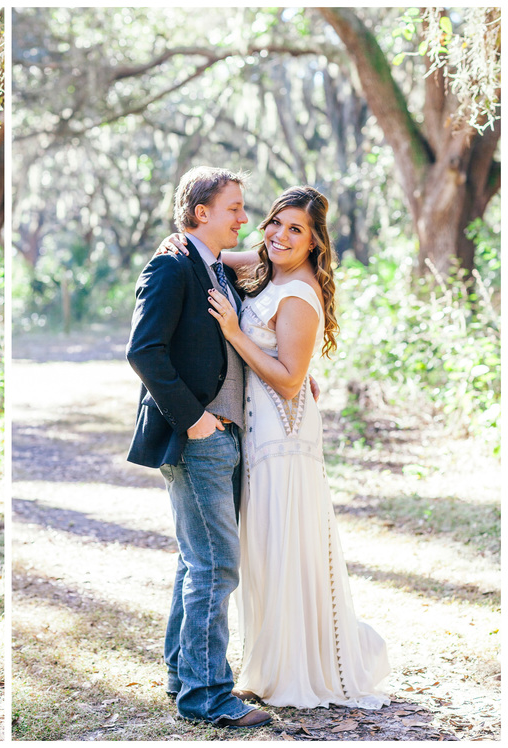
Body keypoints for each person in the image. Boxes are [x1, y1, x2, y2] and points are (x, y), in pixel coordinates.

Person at [160, 186, 390, 709]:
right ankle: (262, 660)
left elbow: (290, 381)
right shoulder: (267, 264)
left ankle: (293, 665)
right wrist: (174, 242)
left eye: (296, 231)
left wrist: (236, 333)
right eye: (275, 223)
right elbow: (207, 252)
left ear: (314, 244)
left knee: (281, 541)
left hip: (283, 435)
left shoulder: (301, 292)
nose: (280, 236)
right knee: (259, 544)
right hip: (256, 428)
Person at [126, 167, 271, 728]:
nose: (244, 217)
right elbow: (144, 351)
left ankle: (181, 673)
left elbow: (271, 260)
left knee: (198, 562)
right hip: (199, 437)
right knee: (215, 565)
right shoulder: (170, 266)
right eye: (234, 207)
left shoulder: (213, 265)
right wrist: (194, 422)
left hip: (227, 433)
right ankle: (207, 696)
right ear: (201, 212)